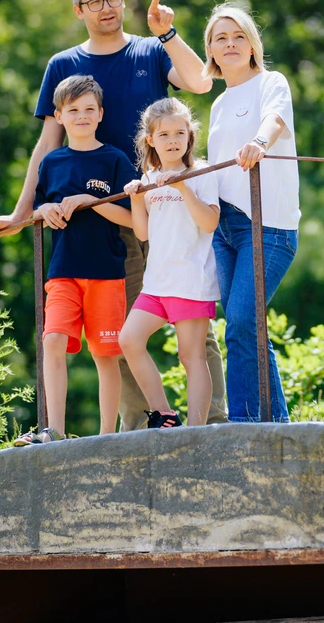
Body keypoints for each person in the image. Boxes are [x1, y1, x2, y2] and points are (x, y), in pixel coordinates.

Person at [0, 0, 228, 429]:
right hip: (106, 217)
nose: (105, 7)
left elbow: (200, 82)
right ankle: (140, 428)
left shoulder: (151, 49)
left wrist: (168, 32)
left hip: (170, 207)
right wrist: (20, 214)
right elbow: (47, 144)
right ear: (78, 10)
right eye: (93, 1)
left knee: (193, 320)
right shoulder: (63, 65)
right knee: (121, 330)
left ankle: (212, 422)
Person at [9, 75, 137, 444]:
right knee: (52, 340)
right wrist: (45, 210)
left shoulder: (115, 160)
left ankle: (106, 436)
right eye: (73, 110)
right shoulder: (52, 162)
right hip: (63, 271)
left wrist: (90, 202)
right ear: (59, 116)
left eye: (89, 109)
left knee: (105, 354)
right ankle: (54, 431)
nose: (82, 116)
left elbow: (133, 220)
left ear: (101, 114)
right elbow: (37, 210)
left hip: (106, 273)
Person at [204, 4, 300, 422]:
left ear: (252, 44)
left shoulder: (271, 82)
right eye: (221, 38)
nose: (230, 44)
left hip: (267, 226)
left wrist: (259, 143)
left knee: (242, 322)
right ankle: (277, 426)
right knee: (247, 329)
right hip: (223, 229)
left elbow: (274, 120)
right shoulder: (218, 104)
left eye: (238, 36)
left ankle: (242, 425)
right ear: (210, 50)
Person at [118, 98, 220, 427]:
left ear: (190, 135)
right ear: (151, 140)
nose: (173, 140)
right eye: (164, 135)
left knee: (191, 356)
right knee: (129, 340)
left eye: (179, 133)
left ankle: (196, 430)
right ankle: (164, 414)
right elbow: (143, 233)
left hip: (190, 280)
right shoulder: (149, 176)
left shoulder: (202, 171)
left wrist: (183, 187)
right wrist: (137, 199)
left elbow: (209, 223)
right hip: (157, 283)